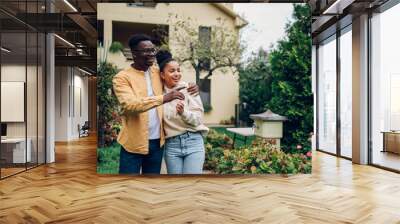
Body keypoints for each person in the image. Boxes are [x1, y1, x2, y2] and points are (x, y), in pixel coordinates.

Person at [112, 34, 198, 174]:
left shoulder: (158, 72)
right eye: (146, 51)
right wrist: (164, 98)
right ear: (134, 53)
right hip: (132, 144)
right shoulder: (122, 78)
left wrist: (192, 85)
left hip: (157, 143)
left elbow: (173, 80)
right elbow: (130, 105)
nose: (152, 54)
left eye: (153, 50)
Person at [156, 50, 209, 174]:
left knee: (191, 186)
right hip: (171, 145)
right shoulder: (158, 94)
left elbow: (198, 120)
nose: (177, 74)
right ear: (162, 75)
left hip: (193, 141)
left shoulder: (189, 89)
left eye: (178, 70)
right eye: (172, 71)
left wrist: (184, 113)